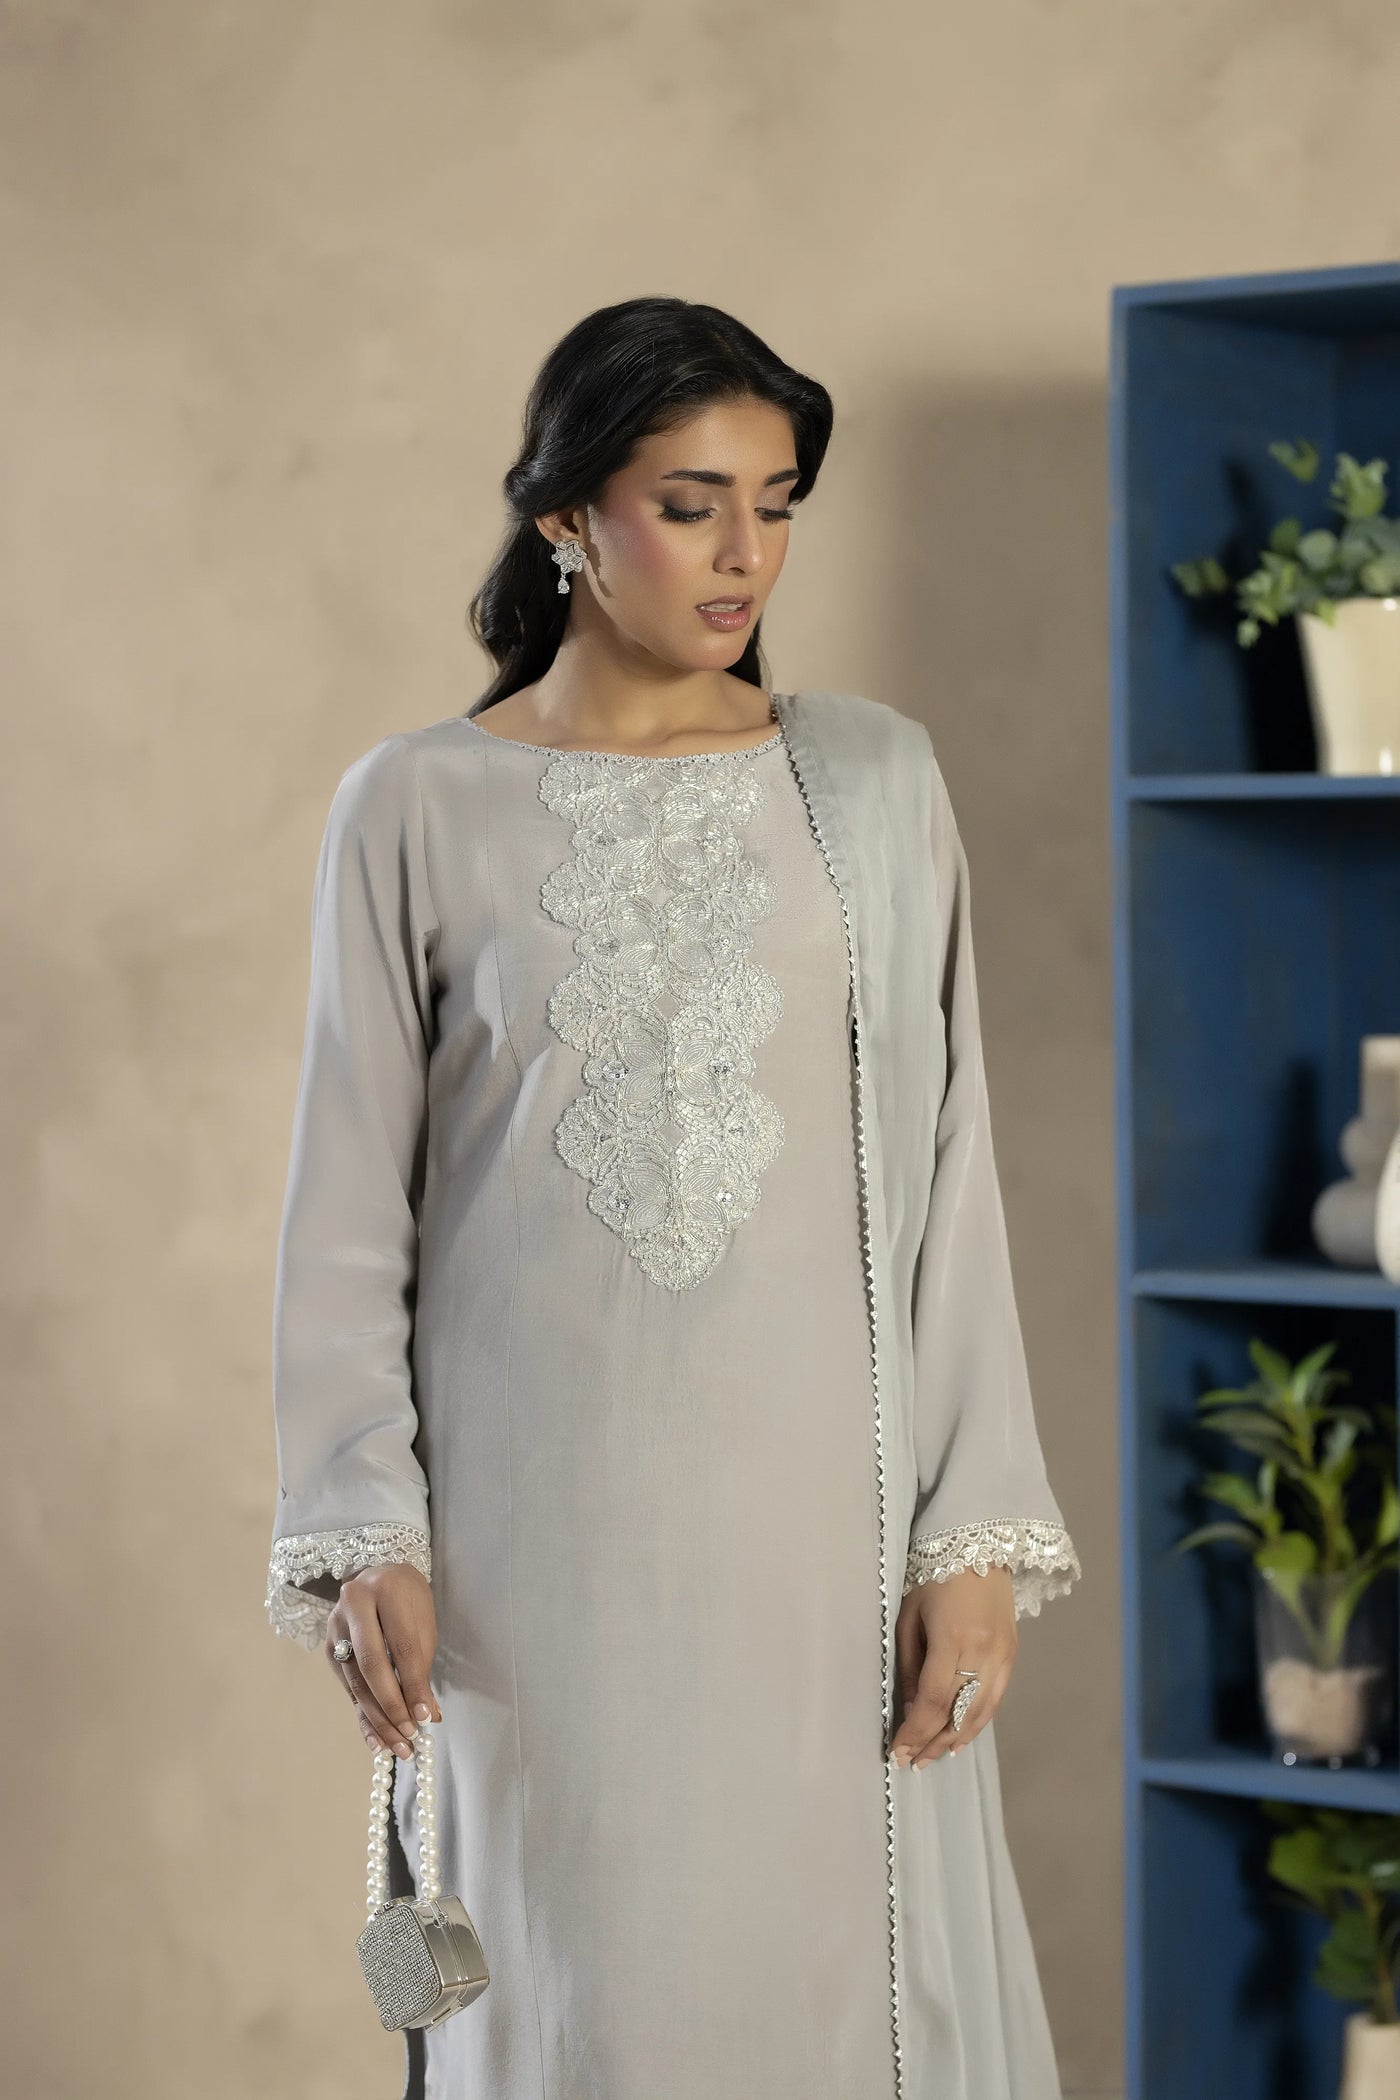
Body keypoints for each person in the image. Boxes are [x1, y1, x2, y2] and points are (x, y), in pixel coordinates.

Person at [265, 294, 1081, 2100]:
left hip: (827, 1546)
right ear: (566, 514)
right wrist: (363, 1528)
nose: (745, 554)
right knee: (578, 2005)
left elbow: (954, 1174)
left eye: (776, 505)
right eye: (690, 503)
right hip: (533, 1559)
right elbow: (347, 1211)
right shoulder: (416, 806)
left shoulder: (873, 780)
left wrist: (968, 1539)